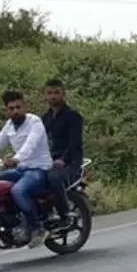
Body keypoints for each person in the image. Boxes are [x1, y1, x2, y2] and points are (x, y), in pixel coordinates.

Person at [0, 90, 54, 247]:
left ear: (25, 106)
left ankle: (37, 228)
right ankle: (12, 220)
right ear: (6, 110)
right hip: (21, 170)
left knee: (18, 190)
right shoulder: (9, 126)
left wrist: (16, 159)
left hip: (39, 169)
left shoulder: (34, 122)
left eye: (18, 107)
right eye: (11, 108)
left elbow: (30, 145)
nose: (15, 111)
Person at [41, 78, 84, 226]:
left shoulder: (73, 116)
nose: (53, 96)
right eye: (50, 93)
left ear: (63, 94)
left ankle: (65, 214)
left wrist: (63, 159)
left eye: (56, 93)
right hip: (49, 160)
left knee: (53, 178)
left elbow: (75, 143)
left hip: (70, 162)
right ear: (45, 95)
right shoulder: (44, 119)